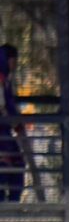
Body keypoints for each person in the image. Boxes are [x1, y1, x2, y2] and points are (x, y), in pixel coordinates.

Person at [0, 43, 28, 203]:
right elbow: (3, 106)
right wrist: (15, 121)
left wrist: (16, 123)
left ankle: (12, 204)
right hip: (2, 132)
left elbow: (9, 105)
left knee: (17, 164)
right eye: (13, 61)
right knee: (5, 165)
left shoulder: (6, 80)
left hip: (6, 131)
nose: (15, 65)